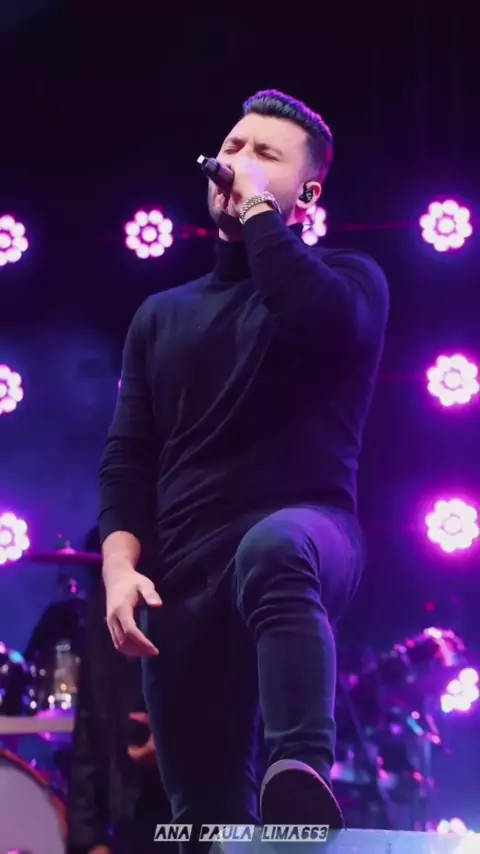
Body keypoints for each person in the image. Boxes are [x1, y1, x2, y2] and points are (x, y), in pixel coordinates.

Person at [99, 89, 389, 847]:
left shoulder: (351, 280)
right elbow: (129, 457)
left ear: (308, 194)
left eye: (265, 154)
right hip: (186, 578)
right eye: (232, 147)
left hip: (310, 535)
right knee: (203, 828)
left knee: (275, 547)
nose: (238, 162)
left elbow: (316, 320)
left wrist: (260, 211)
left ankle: (301, 772)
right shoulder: (161, 314)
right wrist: (119, 569)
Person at [67, 576, 170, 854]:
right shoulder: (107, 595)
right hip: (130, 812)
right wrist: (90, 838)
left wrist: (177, 743)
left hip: (201, 805)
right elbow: (91, 717)